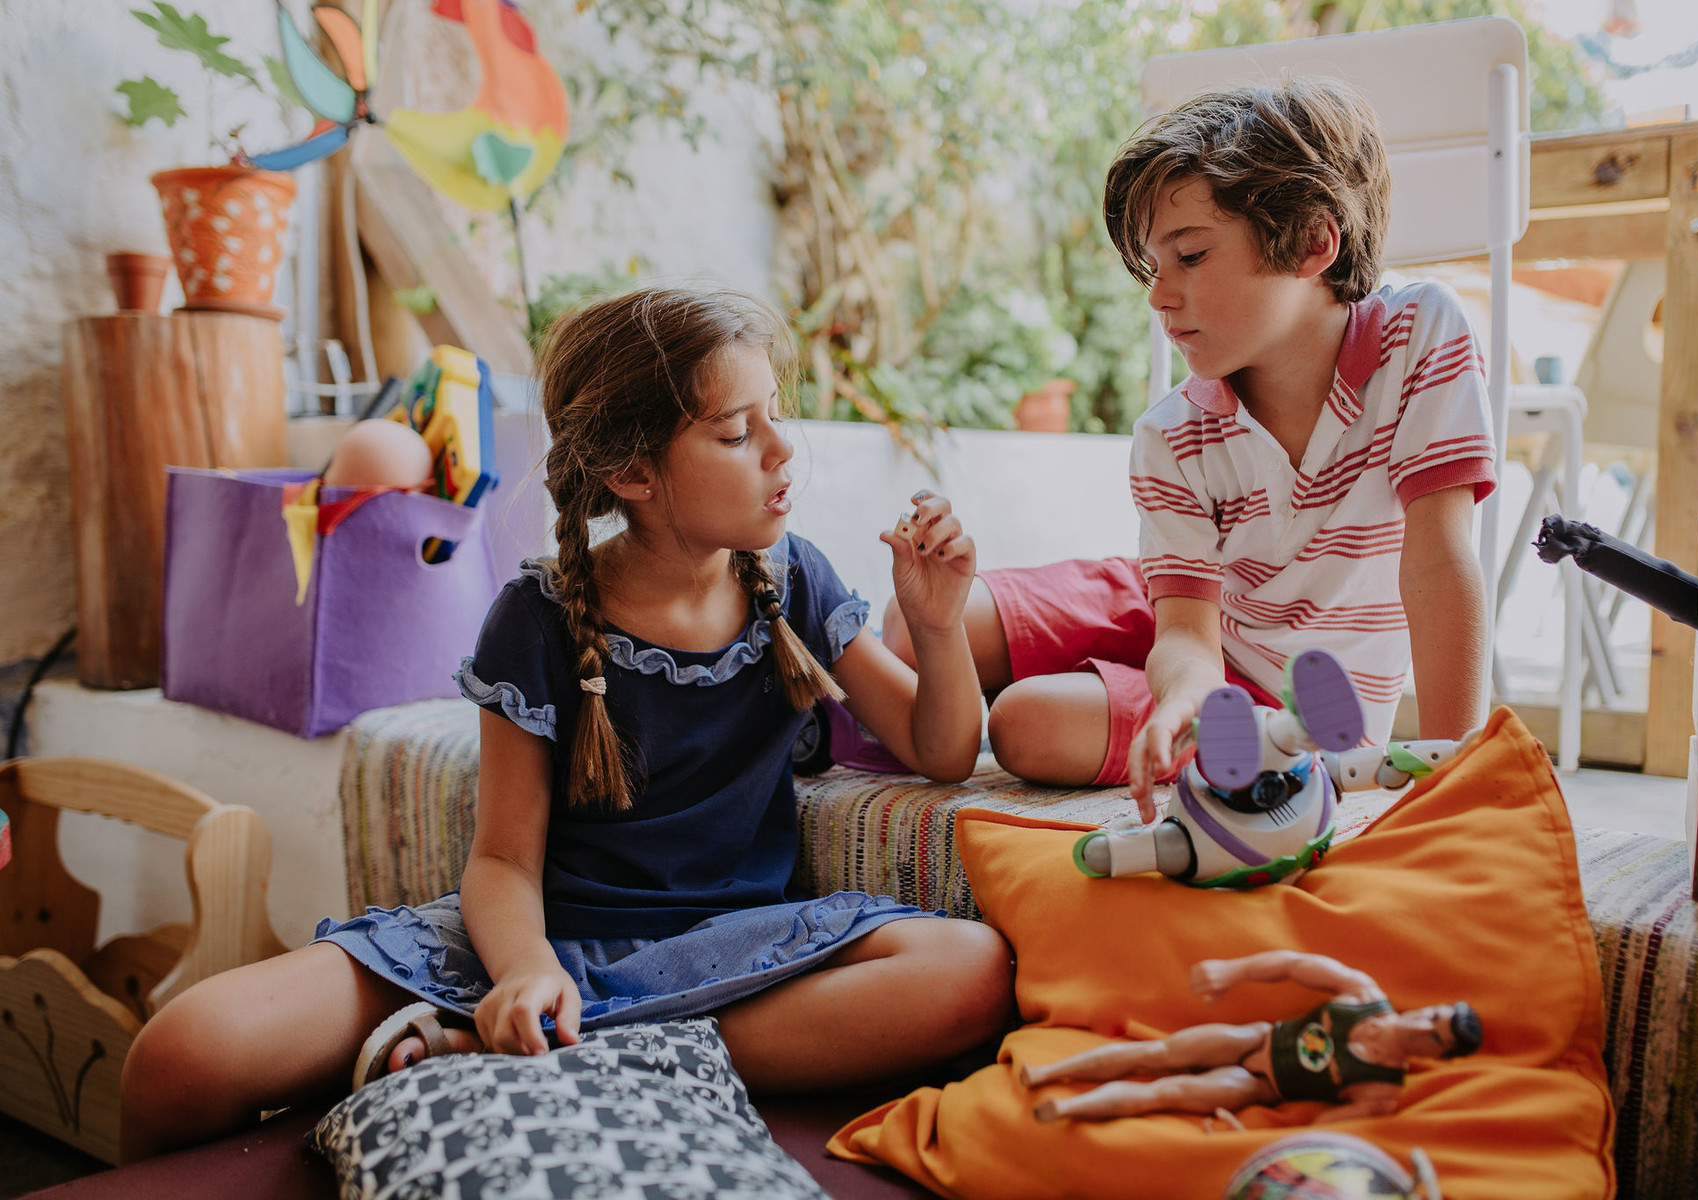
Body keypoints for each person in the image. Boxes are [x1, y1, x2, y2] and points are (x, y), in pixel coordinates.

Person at [119, 287, 1014, 1160]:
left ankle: (563, 1054)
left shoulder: (793, 581)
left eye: (774, 416)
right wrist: (522, 973)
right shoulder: (537, 615)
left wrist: (936, 626)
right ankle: (551, 1037)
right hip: (527, 944)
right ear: (632, 472)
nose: (783, 450)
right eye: (739, 433)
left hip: (730, 955)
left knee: (969, 972)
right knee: (180, 1055)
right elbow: (504, 858)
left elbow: (938, 750)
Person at [882, 78, 1494, 820]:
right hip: (1186, 614)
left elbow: (1437, 563)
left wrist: (1459, 775)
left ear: (1312, 242)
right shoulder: (1172, 431)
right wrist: (1183, 692)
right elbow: (1185, 630)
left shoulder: (1421, 334)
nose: (1158, 294)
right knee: (906, 629)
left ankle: (1170, 714)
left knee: (1023, 723)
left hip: (1286, 701)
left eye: (1191, 255)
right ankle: (846, 720)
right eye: (1152, 265)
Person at [1020, 950, 1481, 1124]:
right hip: (1253, 1038)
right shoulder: (1365, 994)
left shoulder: (1380, 1091)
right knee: (1156, 1052)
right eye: (1434, 1016)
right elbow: (1293, 964)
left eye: (1435, 1036)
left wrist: (1246, 1138)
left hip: (1260, 1087)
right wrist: (1232, 971)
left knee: (1168, 1091)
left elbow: (1316, 1136)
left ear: (1438, 1056)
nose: (1423, 1025)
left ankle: (1068, 1108)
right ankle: (1049, 1072)